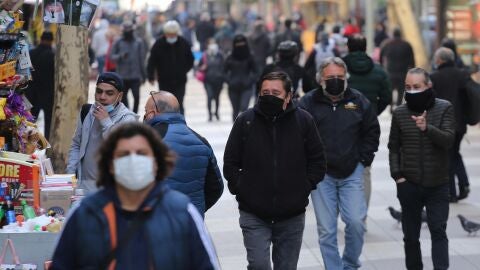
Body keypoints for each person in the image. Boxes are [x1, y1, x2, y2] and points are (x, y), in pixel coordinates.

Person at [52, 122, 220, 269]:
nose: (133, 160)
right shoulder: (84, 214)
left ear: (156, 162)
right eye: (124, 155)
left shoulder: (182, 212)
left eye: (141, 153)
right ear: (110, 164)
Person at [224, 71, 326, 270]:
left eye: (276, 92)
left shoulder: (304, 121)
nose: (270, 96)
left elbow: (318, 161)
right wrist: (240, 188)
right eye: (265, 92)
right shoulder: (246, 121)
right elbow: (231, 161)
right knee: (259, 265)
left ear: (288, 96)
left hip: (291, 214)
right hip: (253, 212)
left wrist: (304, 187)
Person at [299, 57, 380, 270]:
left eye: (339, 77)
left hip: (352, 172)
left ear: (346, 78)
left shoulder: (359, 101)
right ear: (320, 79)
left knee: (355, 223)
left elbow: (372, 131)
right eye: (330, 77)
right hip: (322, 176)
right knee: (327, 230)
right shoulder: (307, 103)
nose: (335, 80)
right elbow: (298, 134)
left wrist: (364, 160)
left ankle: (350, 264)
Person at [388, 67, 455, 270]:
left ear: (428, 86)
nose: (412, 91)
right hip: (409, 184)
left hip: (438, 183)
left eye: (417, 87)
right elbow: (393, 147)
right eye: (408, 87)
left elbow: (448, 140)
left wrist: (427, 128)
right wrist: (398, 177)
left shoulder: (445, 108)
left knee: (438, 231)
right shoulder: (400, 113)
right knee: (410, 237)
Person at [144, 91, 223, 216]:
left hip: (157, 220)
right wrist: (197, 209)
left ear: (153, 112)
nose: (145, 115)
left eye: (146, 111)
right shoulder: (201, 141)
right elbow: (216, 187)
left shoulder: (148, 140)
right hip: (191, 221)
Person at [66, 72, 138, 193]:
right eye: (99, 91)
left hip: (110, 189)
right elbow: (76, 145)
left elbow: (122, 149)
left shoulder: (128, 119)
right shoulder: (87, 112)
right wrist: (70, 175)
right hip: (82, 186)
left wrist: (106, 122)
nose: (102, 97)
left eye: (109, 93)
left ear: (119, 96)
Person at [343, 34, 392, 211]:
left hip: (341, 124)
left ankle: (340, 212)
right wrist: (372, 113)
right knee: (364, 170)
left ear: (348, 47)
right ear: (365, 47)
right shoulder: (378, 70)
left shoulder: (338, 69)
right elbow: (386, 96)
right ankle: (361, 214)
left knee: (335, 170)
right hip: (367, 126)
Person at [430, 47, 470, 202]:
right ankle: (464, 183)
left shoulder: (434, 77)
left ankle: (451, 193)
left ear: (440, 60)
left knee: (447, 156)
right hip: (460, 123)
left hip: (443, 124)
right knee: (454, 153)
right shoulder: (463, 75)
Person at [147, 20, 194, 114]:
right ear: (165, 33)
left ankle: (180, 124)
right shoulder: (159, 44)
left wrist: (183, 70)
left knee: (179, 103)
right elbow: (152, 61)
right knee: (165, 104)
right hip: (164, 81)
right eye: (169, 34)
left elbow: (190, 60)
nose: (171, 36)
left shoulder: (184, 43)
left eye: (174, 34)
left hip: (180, 81)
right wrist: (151, 76)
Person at [110, 22, 147, 114]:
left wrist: (144, 75)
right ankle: (127, 114)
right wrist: (120, 56)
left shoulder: (138, 42)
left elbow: (142, 59)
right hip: (122, 76)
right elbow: (111, 57)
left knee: (137, 97)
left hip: (135, 76)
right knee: (123, 97)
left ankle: (134, 114)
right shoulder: (118, 42)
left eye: (129, 31)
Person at [25, 31, 55, 140]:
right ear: (51, 41)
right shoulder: (53, 56)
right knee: (49, 124)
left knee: (29, 122)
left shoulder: (31, 53)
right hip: (48, 95)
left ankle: (26, 145)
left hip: (31, 93)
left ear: (41, 39)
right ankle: (47, 145)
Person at [224, 34, 257, 121]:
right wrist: (229, 81)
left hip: (246, 87)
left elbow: (256, 71)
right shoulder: (230, 57)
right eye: (238, 43)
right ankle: (235, 130)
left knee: (244, 107)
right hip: (233, 87)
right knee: (235, 109)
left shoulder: (250, 57)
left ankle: (244, 129)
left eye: (242, 43)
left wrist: (250, 80)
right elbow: (223, 71)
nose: (240, 46)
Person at [380, 28, 415, 107]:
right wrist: (412, 71)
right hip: (402, 71)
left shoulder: (387, 44)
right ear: (400, 34)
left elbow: (381, 56)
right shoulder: (406, 45)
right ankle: (398, 105)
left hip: (390, 71)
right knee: (401, 89)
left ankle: (391, 105)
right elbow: (412, 60)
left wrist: (382, 67)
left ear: (393, 34)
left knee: (390, 89)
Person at [199, 41, 225, 121]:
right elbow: (198, 66)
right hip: (208, 80)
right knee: (209, 96)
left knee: (217, 97)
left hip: (218, 80)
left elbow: (224, 67)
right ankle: (210, 114)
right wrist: (202, 68)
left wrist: (223, 76)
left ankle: (216, 112)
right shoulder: (205, 55)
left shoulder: (220, 55)